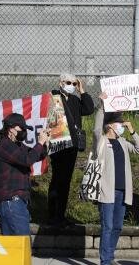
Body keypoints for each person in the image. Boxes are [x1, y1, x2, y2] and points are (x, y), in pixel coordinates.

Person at [92, 104, 139, 265]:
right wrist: (101, 109)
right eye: (119, 123)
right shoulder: (101, 141)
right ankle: (105, 261)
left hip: (122, 191)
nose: (122, 125)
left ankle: (110, 256)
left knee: (117, 226)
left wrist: (132, 131)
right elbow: (96, 130)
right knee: (107, 226)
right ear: (110, 126)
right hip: (107, 192)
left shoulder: (122, 142)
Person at [46, 73, 96, 228]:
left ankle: (61, 215)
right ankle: (52, 215)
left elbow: (89, 109)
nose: (72, 86)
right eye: (69, 83)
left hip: (72, 145)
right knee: (57, 179)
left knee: (66, 180)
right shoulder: (54, 97)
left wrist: (82, 90)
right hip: (58, 144)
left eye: (74, 83)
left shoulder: (74, 100)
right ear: (61, 83)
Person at [0, 112, 47, 236]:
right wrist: (40, 143)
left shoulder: (18, 146)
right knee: (22, 244)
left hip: (16, 202)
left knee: (14, 246)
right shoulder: (5, 145)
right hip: (11, 201)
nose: (24, 132)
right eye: (22, 128)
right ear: (11, 129)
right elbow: (27, 160)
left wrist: (46, 143)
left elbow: (36, 155)